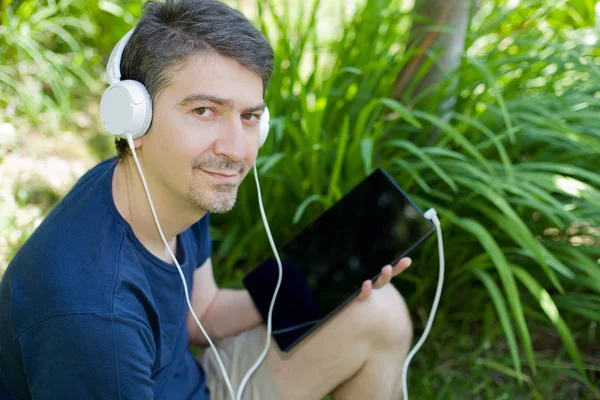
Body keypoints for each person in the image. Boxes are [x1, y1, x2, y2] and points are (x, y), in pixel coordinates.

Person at [0, 0, 414, 398]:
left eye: (249, 116)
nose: (236, 149)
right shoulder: (92, 319)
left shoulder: (170, 187)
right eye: (204, 111)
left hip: (191, 382)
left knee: (379, 310)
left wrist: (316, 281)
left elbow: (206, 314)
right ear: (133, 119)